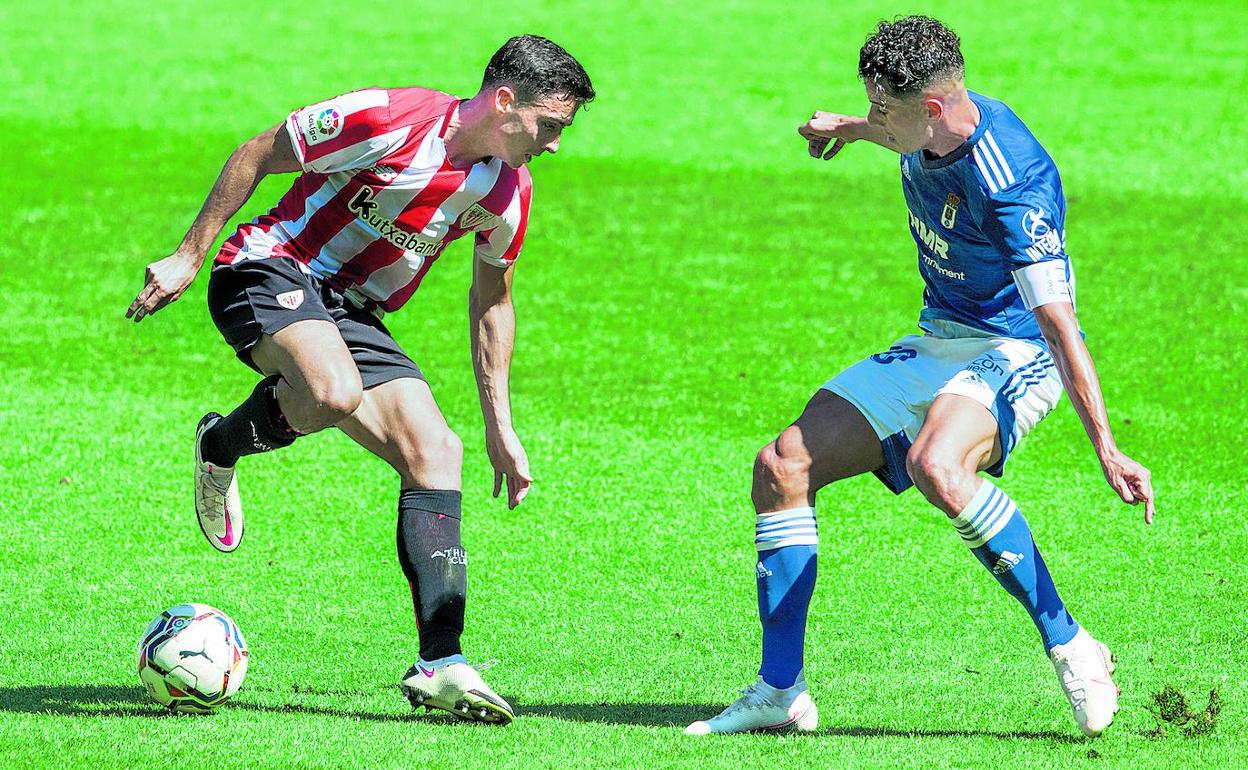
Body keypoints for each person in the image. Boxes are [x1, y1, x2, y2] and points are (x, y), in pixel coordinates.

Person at [686, 16, 1153, 738]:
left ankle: (1072, 645)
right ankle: (780, 692)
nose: (877, 118)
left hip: (1019, 347)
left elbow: (1058, 322)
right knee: (782, 465)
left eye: (883, 109)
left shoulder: (1012, 182)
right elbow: (903, 132)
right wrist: (850, 125)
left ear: (930, 106)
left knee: (938, 462)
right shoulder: (929, 123)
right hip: (942, 336)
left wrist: (1107, 447)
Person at [127, 34, 594, 724]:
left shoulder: (507, 192)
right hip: (266, 265)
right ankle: (223, 447)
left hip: (352, 312)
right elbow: (258, 152)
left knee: (438, 453)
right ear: (504, 103)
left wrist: (502, 428)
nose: (555, 144)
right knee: (332, 390)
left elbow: (493, 301)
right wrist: (188, 255)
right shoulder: (385, 119)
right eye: (550, 125)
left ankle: (440, 661)